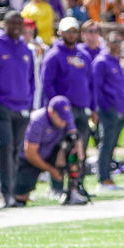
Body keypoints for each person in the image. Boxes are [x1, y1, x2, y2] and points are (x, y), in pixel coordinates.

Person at [0, 11, 34, 207]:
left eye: (20, 23)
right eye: (13, 23)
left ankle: (13, 192)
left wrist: (29, 102)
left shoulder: (26, 50)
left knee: (17, 150)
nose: (17, 26)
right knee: (5, 146)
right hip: (2, 107)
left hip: (21, 108)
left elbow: (31, 80)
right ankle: (4, 193)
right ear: (5, 24)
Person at [14, 95, 87, 206]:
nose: (64, 122)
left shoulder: (66, 117)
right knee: (20, 197)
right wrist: (51, 170)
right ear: (52, 112)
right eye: (61, 118)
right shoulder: (37, 121)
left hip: (50, 152)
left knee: (73, 150)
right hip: (29, 159)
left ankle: (73, 190)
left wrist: (78, 155)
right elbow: (30, 153)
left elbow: (75, 137)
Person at [41, 17, 96, 157]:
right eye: (68, 31)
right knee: (61, 150)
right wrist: (56, 107)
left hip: (83, 109)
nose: (71, 34)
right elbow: (47, 84)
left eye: (74, 31)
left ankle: (78, 179)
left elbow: (90, 83)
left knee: (80, 151)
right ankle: (58, 179)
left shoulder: (84, 55)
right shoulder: (53, 55)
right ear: (60, 32)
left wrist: (93, 108)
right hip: (63, 111)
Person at [92, 31, 124, 191]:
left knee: (111, 145)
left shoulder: (116, 61)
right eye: (114, 41)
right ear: (106, 43)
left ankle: (108, 176)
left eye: (119, 41)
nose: (117, 45)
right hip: (108, 110)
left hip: (120, 109)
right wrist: (101, 108)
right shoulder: (101, 61)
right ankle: (103, 179)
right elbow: (96, 88)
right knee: (105, 144)